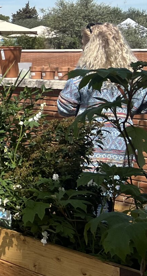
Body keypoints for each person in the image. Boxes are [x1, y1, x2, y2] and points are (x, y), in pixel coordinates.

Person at [57, 23, 147, 168]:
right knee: (116, 181)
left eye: (84, 45)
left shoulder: (83, 76)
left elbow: (64, 108)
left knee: (88, 182)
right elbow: (143, 104)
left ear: (90, 48)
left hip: (90, 145)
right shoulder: (133, 77)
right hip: (123, 144)